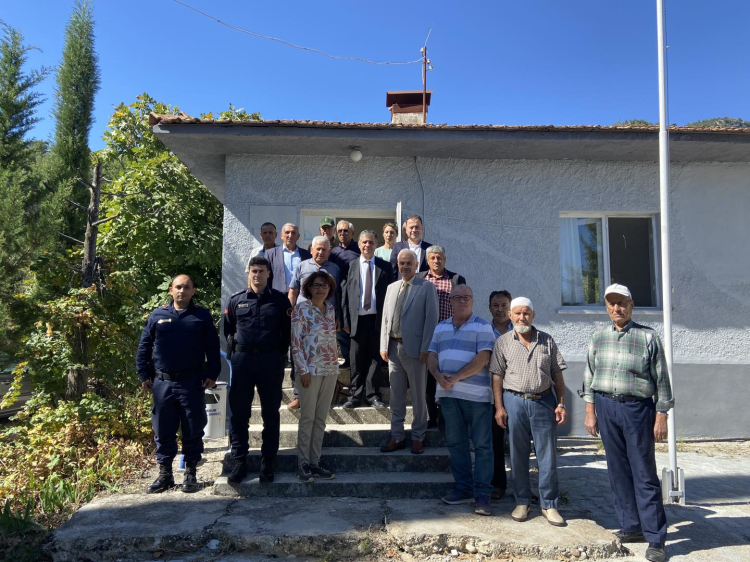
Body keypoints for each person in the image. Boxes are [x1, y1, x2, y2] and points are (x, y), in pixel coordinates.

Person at [582, 284, 674, 562]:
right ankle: (631, 527)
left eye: (621, 303)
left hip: (638, 409)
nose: (616, 308)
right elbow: (589, 375)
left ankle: (655, 538)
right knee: (617, 471)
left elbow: (661, 380)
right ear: (606, 307)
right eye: (611, 303)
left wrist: (661, 414)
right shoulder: (598, 337)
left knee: (644, 473)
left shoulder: (648, 337)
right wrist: (590, 411)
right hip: (605, 406)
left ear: (631, 305)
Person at [136, 274, 221, 494]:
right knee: (163, 429)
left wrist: (212, 373)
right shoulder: (158, 315)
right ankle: (165, 474)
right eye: (178, 287)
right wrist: (144, 375)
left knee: (193, 428)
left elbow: (213, 348)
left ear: (193, 291)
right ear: (171, 290)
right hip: (162, 383)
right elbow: (144, 346)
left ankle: (191, 473)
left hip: (191, 382)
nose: (182, 291)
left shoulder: (201, 316)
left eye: (186, 287)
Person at [489, 297, 568, 527]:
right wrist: (499, 407)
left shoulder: (547, 340)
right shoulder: (503, 342)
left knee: (547, 455)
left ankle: (549, 504)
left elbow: (557, 374)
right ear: (511, 316)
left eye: (526, 313)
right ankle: (522, 501)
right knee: (517, 454)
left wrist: (561, 403)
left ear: (533, 315)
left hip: (544, 401)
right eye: (517, 313)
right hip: (514, 402)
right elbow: (497, 376)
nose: (521, 317)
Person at [427, 285, 496, 516]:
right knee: (456, 444)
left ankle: (483, 495)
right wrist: (438, 377)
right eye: (457, 298)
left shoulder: (483, 326)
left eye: (466, 297)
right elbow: (432, 356)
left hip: (477, 397)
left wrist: (456, 377)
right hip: (448, 395)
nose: (462, 301)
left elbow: (484, 357)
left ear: (472, 300)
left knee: (483, 446)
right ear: (450, 301)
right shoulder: (440, 327)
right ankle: (464, 489)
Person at [223, 256, 292, 484]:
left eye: (262, 271)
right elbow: (229, 330)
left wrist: (277, 354)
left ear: (268, 274)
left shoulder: (280, 301)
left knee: (270, 413)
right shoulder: (236, 300)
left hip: (269, 361)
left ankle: (268, 462)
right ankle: (239, 461)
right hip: (242, 362)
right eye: (254, 271)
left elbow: (287, 333)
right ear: (248, 273)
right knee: (239, 413)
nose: (257, 275)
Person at [379, 249, 438, 455]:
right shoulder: (392, 287)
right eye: (401, 263)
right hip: (393, 348)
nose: (405, 266)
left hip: (415, 350)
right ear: (397, 265)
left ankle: (418, 436)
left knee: (419, 396)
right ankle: (396, 435)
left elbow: (431, 320)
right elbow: (386, 318)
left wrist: (426, 348)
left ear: (416, 265)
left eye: (408, 263)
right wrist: (383, 345)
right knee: (396, 395)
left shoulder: (426, 287)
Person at [291, 271, 340, 483]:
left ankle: (315, 462)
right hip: (309, 371)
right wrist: (303, 370)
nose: (321, 289)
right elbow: (296, 342)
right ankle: (302, 463)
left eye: (325, 285)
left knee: (320, 419)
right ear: (309, 288)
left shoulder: (330, 309)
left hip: (329, 370)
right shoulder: (301, 309)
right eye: (317, 285)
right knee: (308, 418)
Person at [286, 236, 341, 409]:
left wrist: (338, 317)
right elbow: (293, 291)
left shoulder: (335, 268)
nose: (321, 252)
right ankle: (298, 394)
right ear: (311, 250)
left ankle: (322, 392)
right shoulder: (302, 266)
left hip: (325, 318)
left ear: (329, 252)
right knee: (299, 352)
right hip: (304, 317)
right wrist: (291, 311)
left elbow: (338, 294)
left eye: (324, 249)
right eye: (318, 249)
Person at [341, 230, 394, 408]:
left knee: (375, 359)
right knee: (356, 359)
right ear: (359, 244)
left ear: (376, 245)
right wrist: (346, 321)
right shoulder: (350, 266)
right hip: (357, 321)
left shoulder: (384, 267)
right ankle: (355, 395)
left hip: (377, 321)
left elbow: (391, 295)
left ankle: (373, 395)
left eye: (371, 242)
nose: (367, 245)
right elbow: (344, 295)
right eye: (364, 242)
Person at [418, 244, 467, 428]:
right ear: (427, 260)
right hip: (427, 336)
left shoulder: (456, 278)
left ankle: (445, 417)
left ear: (445, 260)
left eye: (439, 257)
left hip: (450, 336)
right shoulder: (420, 278)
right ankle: (432, 416)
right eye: (433, 258)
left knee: (448, 375)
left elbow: (463, 304)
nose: (436, 260)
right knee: (429, 379)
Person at [488, 290, 513, 500]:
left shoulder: (521, 330)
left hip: (516, 392)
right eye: (496, 305)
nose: (500, 309)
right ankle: (498, 484)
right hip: (490, 394)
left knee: (519, 442)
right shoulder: (483, 331)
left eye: (504, 305)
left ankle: (523, 486)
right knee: (495, 441)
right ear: (490, 308)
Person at [330, 220, 360, 369]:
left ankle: (357, 359)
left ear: (352, 233)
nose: (342, 233)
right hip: (338, 293)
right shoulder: (334, 252)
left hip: (355, 293)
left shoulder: (359, 249)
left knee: (354, 326)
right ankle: (347, 358)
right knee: (340, 328)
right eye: (340, 231)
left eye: (346, 231)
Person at [265, 223, 311, 293]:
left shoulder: (306, 254)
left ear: (298, 236)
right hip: (278, 295)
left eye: (293, 233)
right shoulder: (270, 254)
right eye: (287, 232)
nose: (290, 235)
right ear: (281, 235)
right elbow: (266, 277)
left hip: (300, 295)